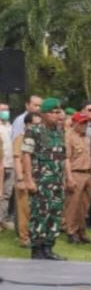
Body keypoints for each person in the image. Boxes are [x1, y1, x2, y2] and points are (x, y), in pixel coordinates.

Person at [22, 98, 68, 260]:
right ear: (43, 114)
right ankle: (37, 248)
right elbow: (26, 155)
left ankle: (48, 247)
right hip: (41, 180)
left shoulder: (59, 131)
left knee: (55, 214)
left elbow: (62, 157)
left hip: (57, 181)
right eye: (53, 112)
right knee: (40, 214)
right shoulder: (34, 130)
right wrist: (29, 179)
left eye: (59, 112)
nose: (57, 115)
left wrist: (65, 179)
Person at [64, 111, 91, 244]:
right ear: (75, 123)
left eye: (86, 122)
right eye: (82, 122)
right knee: (73, 205)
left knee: (84, 206)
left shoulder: (87, 138)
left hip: (88, 173)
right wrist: (69, 177)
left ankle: (81, 231)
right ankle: (71, 231)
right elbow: (66, 159)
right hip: (76, 173)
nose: (84, 125)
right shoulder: (69, 136)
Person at [13, 112, 42, 247]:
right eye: (36, 124)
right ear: (27, 125)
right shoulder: (21, 139)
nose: (39, 127)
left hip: (39, 177)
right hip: (24, 177)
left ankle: (37, 235)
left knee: (37, 209)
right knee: (25, 210)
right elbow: (17, 159)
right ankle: (24, 238)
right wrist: (20, 179)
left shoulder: (40, 139)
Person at [0, 103, 14, 230]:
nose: (5, 112)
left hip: (11, 163)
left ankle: (2, 219)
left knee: (6, 194)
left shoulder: (11, 126)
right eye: (2, 110)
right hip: (1, 164)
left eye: (6, 110)